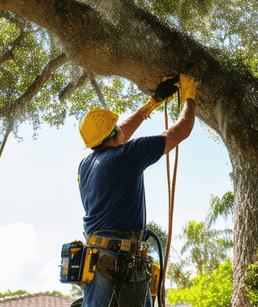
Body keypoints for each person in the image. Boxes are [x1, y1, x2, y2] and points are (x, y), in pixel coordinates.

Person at [76, 74, 197, 307]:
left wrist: (152, 103)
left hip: (97, 258)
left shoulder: (86, 165)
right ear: (113, 135)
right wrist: (189, 95)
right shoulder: (127, 155)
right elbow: (181, 130)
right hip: (121, 259)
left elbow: (118, 134)